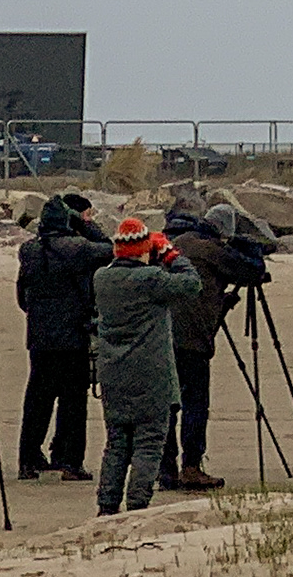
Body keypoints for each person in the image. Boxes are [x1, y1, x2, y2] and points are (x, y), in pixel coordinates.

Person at [90, 216, 198, 517]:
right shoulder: (150, 280)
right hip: (151, 373)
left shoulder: (102, 278)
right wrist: (170, 253)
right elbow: (191, 284)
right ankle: (137, 505)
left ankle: (107, 504)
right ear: (143, 248)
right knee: (149, 442)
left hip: (113, 370)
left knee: (117, 442)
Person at [13, 193, 107, 483]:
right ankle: (70, 461)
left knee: (37, 399)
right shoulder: (77, 248)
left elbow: (21, 294)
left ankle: (28, 459)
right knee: (73, 400)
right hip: (72, 334)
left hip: (40, 335)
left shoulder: (29, 250)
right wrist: (84, 223)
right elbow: (109, 249)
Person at [158, 204, 248, 490]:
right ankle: (192, 467)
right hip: (194, 338)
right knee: (195, 402)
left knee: (167, 405)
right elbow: (249, 271)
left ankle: (166, 468)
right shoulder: (211, 249)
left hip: (163, 336)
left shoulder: (176, 244)